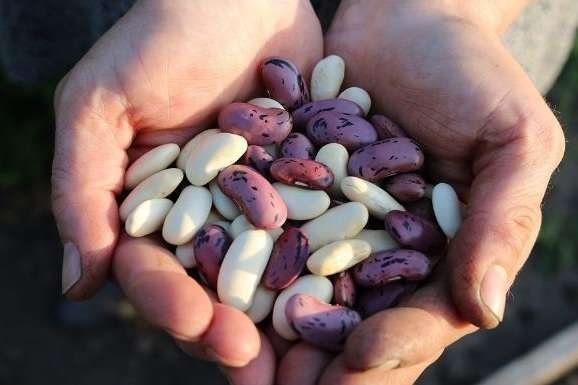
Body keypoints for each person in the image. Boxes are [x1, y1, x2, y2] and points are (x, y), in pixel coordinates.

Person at [50, 0, 567, 384]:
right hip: (212, 41)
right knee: (115, 205)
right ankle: (109, 277)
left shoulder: (354, 182)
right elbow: (286, 207)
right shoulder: (264, 161)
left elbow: (314, 204)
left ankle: (106, 282)